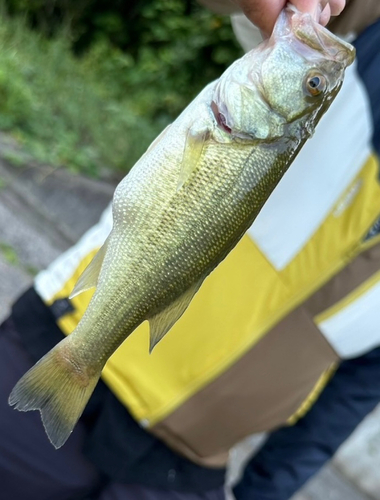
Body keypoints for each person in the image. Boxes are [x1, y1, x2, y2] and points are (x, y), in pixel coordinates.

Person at [1, 1, 380, 500]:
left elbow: (354, 391)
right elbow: (245, 9)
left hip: (185, 471)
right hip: (62, 331)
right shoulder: (357, 40)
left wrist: (263, 494)